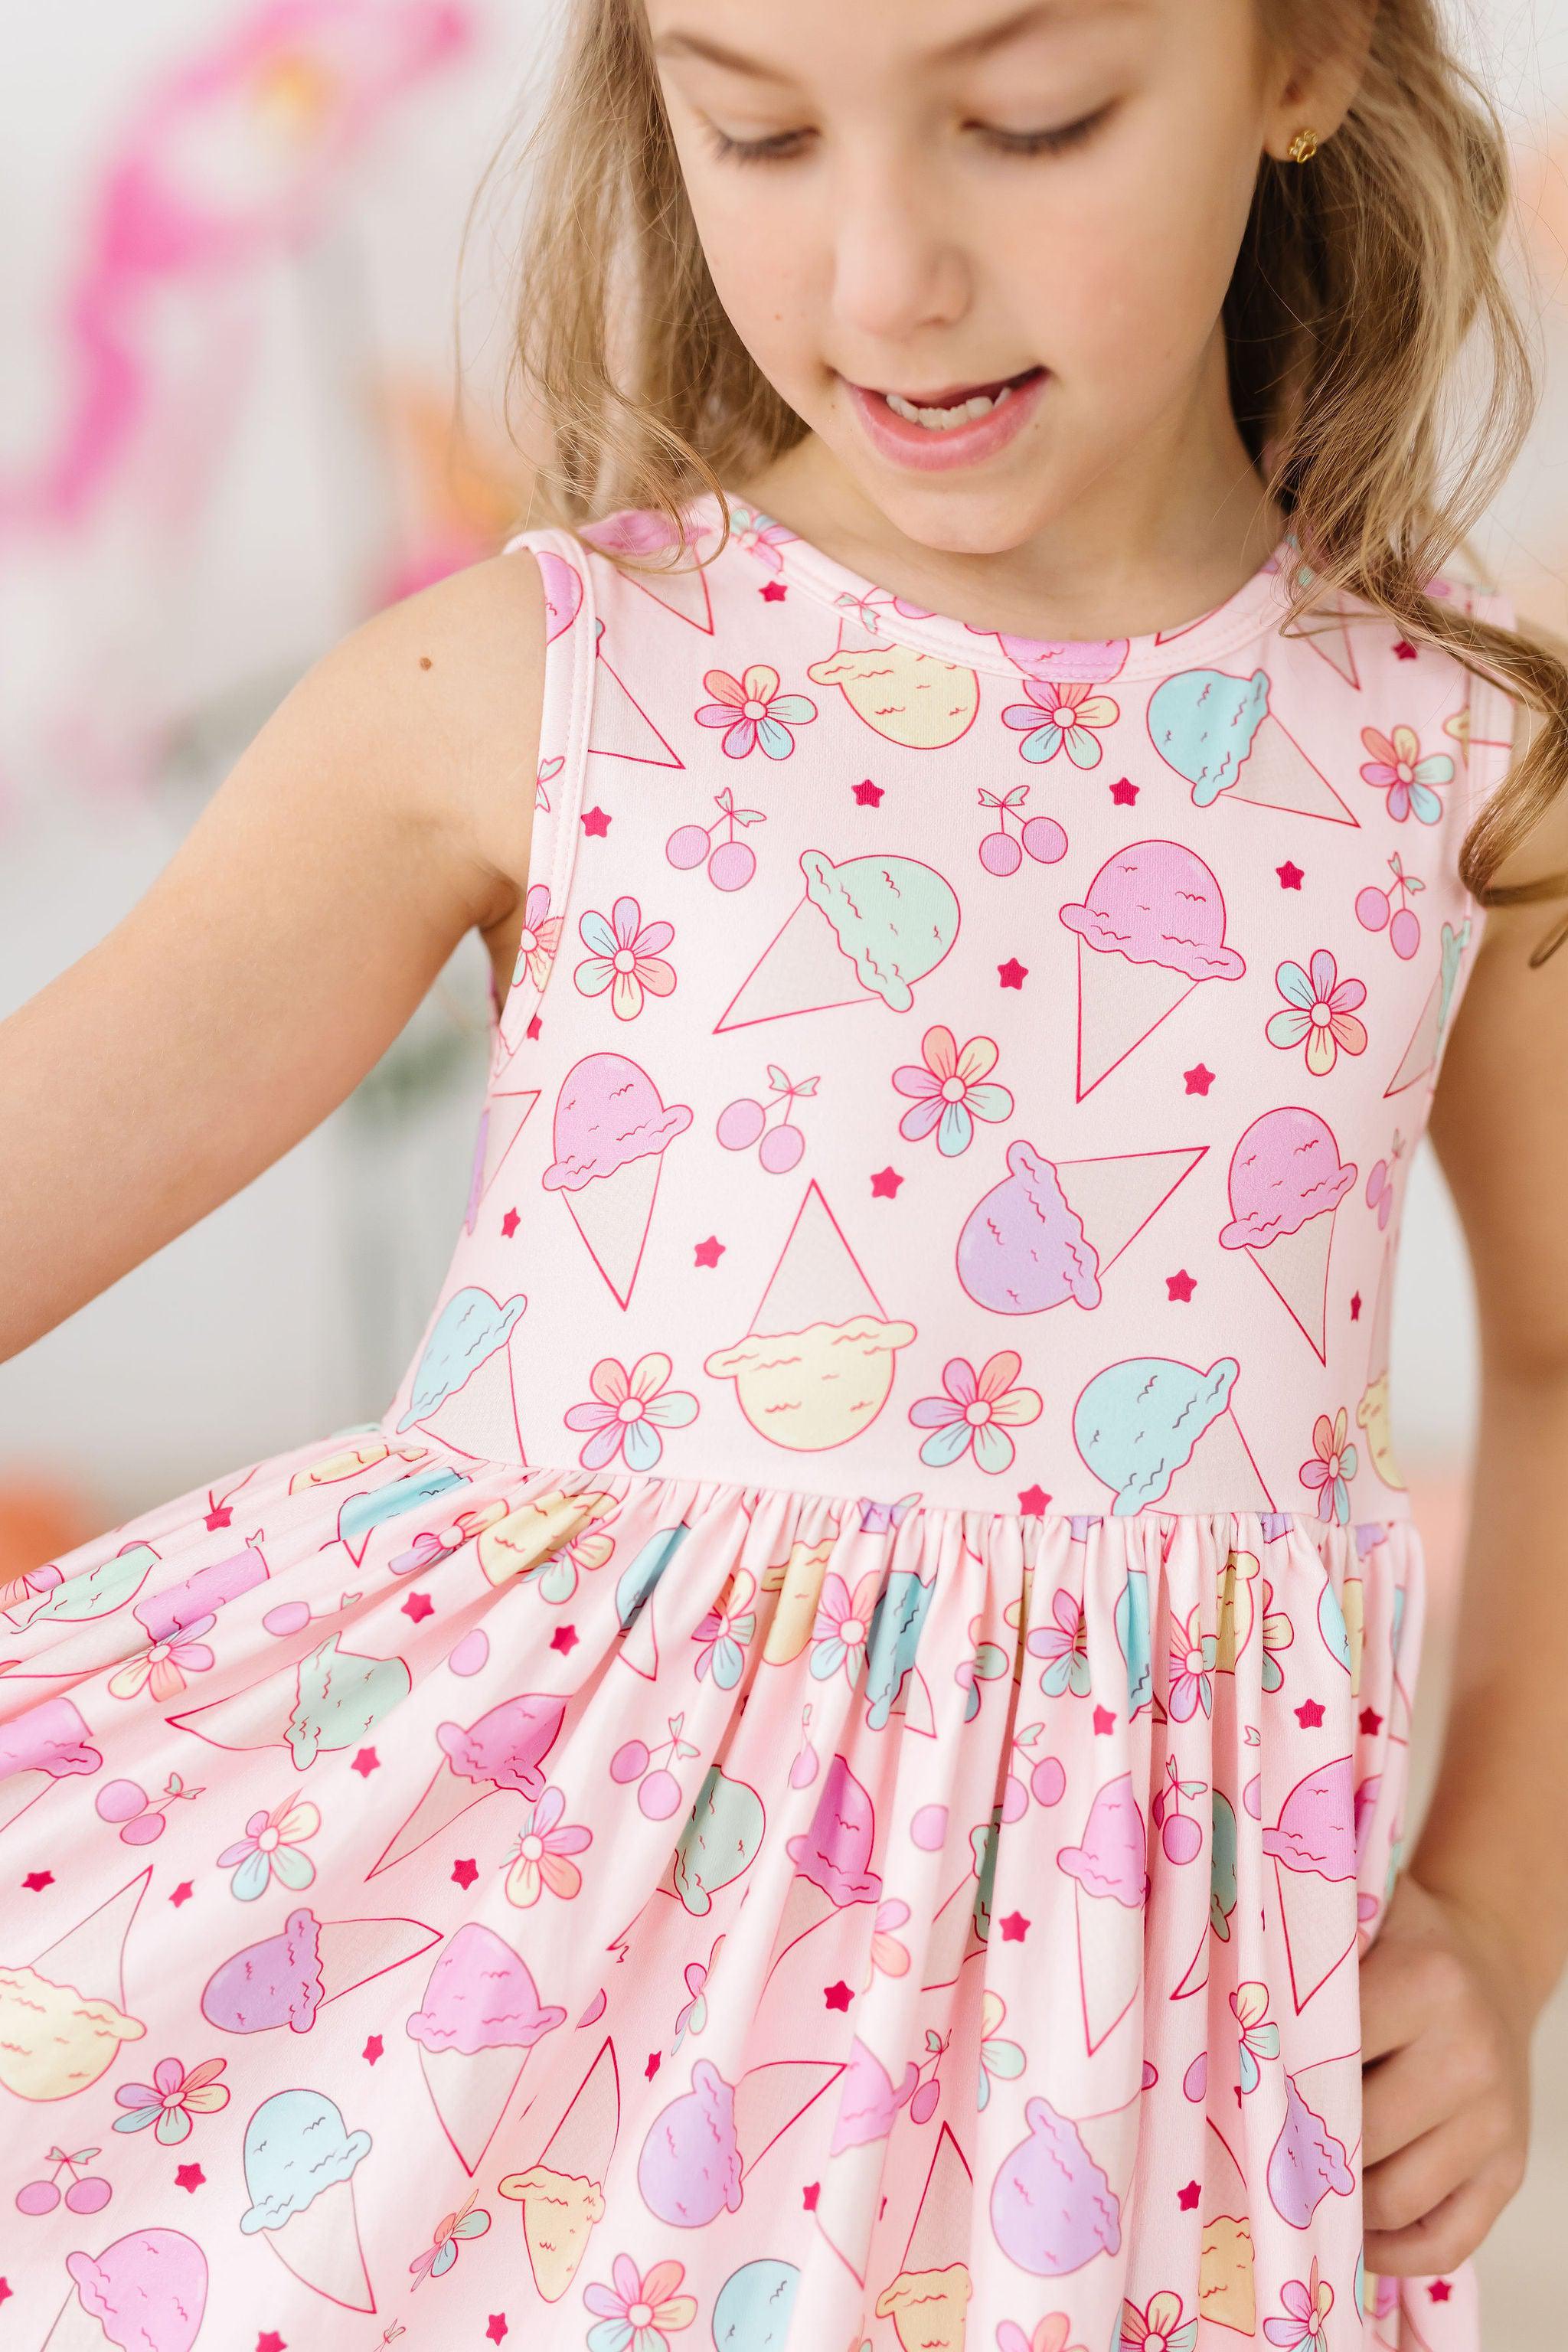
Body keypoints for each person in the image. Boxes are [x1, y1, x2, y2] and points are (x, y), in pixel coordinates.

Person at [4, 0, 1567, 2344]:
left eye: (1027, 122)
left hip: (1112, 2129)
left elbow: (1560, 1358)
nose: (883, 275)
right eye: (755, 131)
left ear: (1305, 58)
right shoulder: (537, 689)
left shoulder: (1459, 761)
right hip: (488, 2077)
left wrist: (1500, 1927)